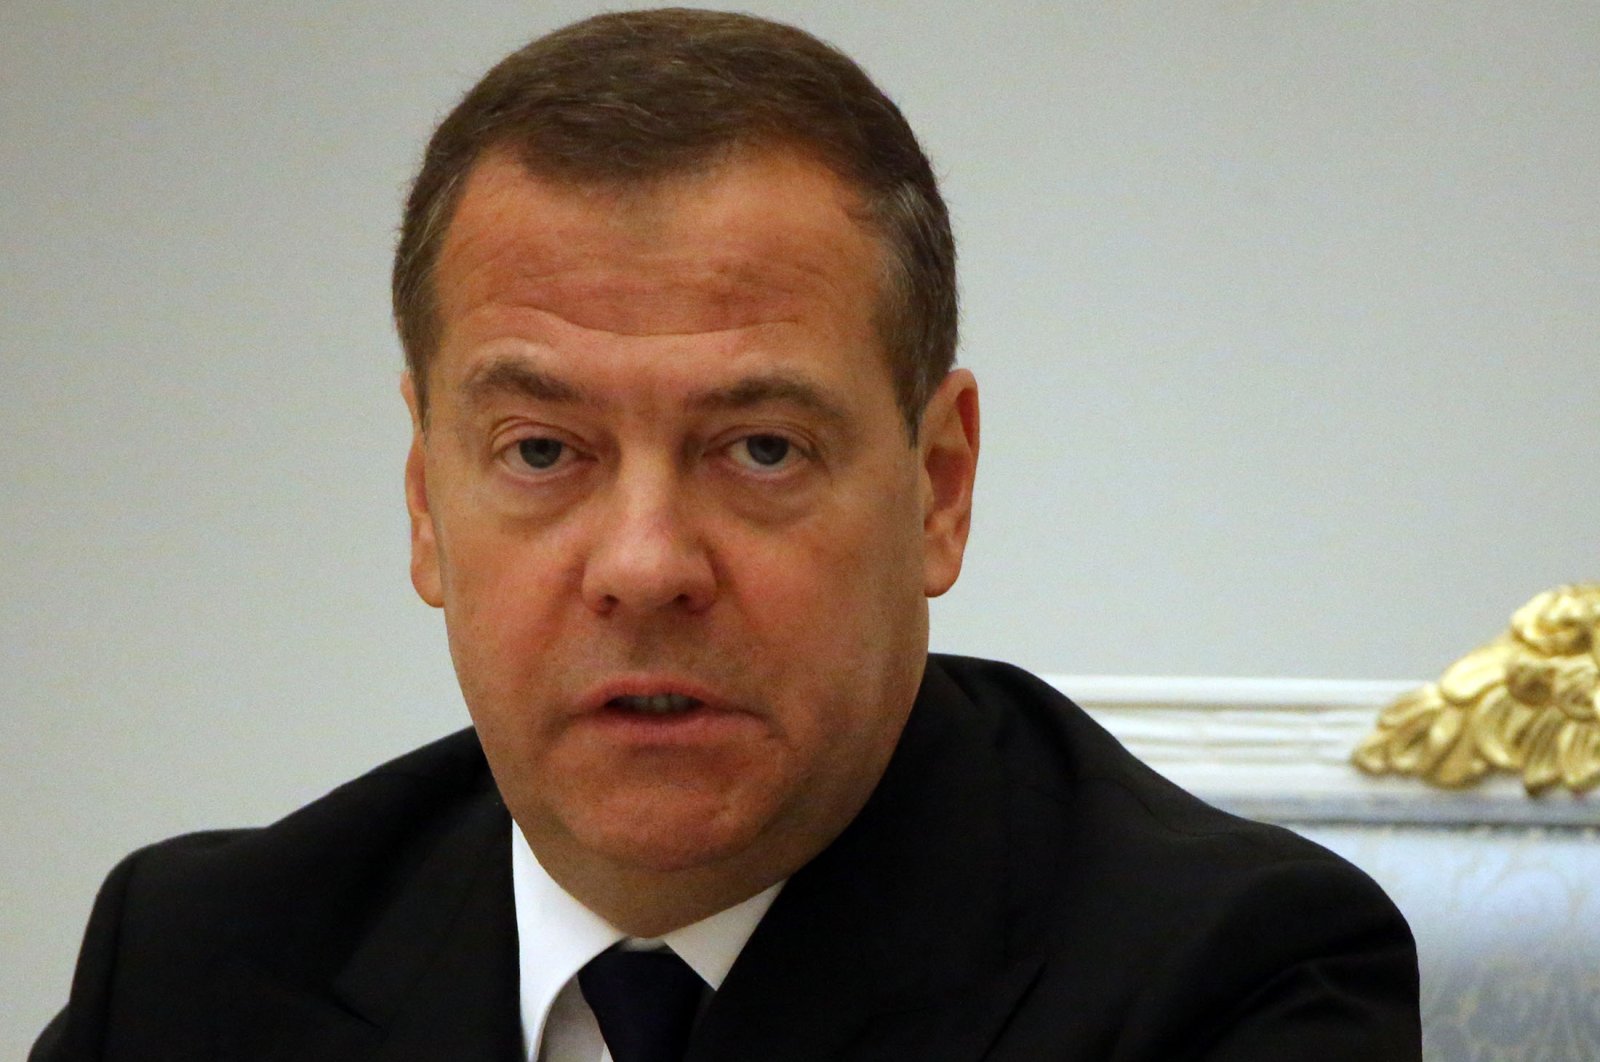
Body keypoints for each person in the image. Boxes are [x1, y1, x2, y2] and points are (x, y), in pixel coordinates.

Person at [33, 9, 1421, 1061]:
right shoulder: (190, 972)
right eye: (540, 451)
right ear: (424, 506)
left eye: (759, 448)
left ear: (940, 487)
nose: (644, 564)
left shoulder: (1229, 984)